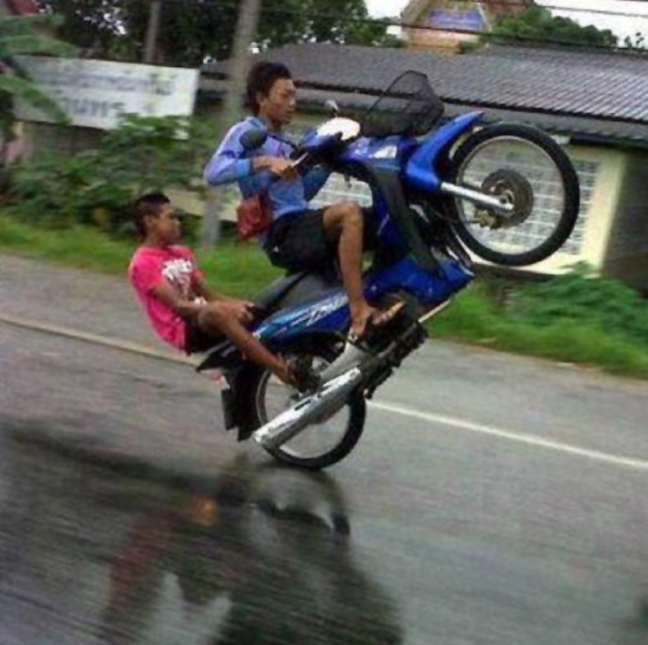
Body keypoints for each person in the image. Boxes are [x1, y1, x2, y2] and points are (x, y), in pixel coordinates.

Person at [203, 61, 399, 339]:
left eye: (294, 95)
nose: (293, 103)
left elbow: (299, 194)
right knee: (349, 213)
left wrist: (327, 165)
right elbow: (213, 173)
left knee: (383, 218)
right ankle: (359, 311)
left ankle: (384, 299)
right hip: (281, 232)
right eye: (285, 96)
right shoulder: (246, 131)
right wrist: (263, 161)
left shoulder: (285, 141)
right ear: (261, 98)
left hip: (299, 223)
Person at [128, 191, 298, 386]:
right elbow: (179, 307)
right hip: (185, 329)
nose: (178, 223)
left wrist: (241, 305)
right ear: (150, 221)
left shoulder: (182, 252)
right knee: (217, 312)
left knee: (262, 305)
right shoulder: (143, 263)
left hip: (205, 315)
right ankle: (280, 370)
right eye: (171, 218)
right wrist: (227, 309)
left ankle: (296, 355)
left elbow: (208, 294)